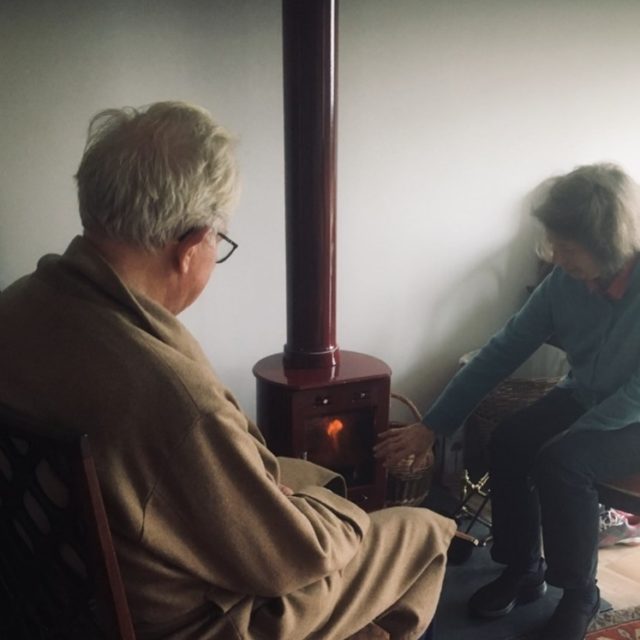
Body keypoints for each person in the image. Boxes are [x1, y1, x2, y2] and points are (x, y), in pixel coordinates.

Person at [0, 101, 455, 640]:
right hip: (187, 623)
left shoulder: (18, 306)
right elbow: (291, 559)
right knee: (420, 531)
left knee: (302, 480)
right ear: (191, 249)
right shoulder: (173, 399)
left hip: (61, 593)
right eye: (220, 239)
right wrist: (339, 515)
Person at [374, 163, 640, 640]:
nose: (556, 257)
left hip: (635, 411)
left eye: (568, 248)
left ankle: (581, 592)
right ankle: (524, 569)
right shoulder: (563, 284)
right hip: (586, 394)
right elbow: (501, 351)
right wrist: (433, 424)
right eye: (554, 243)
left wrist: (570, 435)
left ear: (608, 243)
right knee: (510, 440)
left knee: (561, 461)